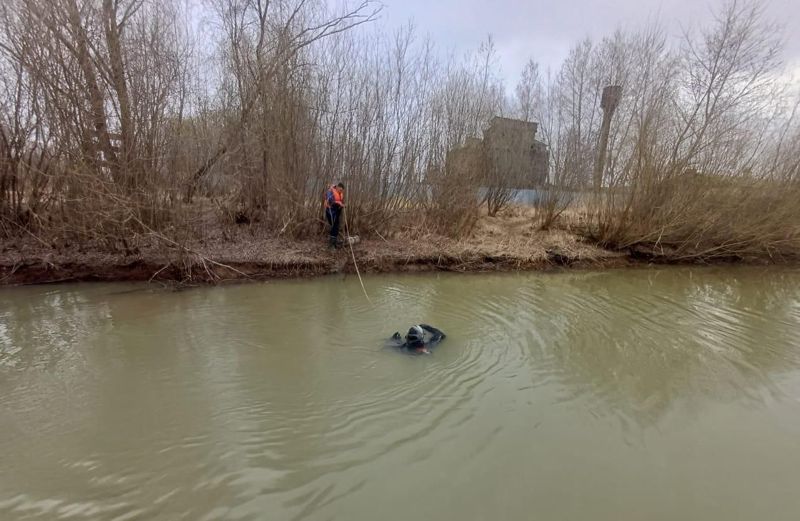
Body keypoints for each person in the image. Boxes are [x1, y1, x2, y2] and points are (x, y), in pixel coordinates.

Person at [324, 182, 345, 249]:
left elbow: (340, 201)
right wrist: (338, 203)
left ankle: (334, 242)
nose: (341, 191)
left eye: (342, 190)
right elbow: (330, 200)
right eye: (340, 190)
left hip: (337, 210)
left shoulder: (341, 194)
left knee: (336, 225)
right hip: (330, 210)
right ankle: (331, 244)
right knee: (334, 225)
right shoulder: (330, 191)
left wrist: (342, 205)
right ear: (337, 187)